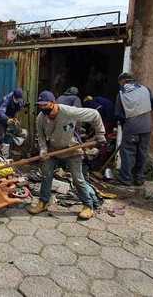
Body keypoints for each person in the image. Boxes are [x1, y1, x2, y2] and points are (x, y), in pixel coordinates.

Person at [28, 90, 106, 220]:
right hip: (53, 151)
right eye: (40, 105)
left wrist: (100, 134)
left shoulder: (69, 112)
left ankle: (88, 206)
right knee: (46, 175)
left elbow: (95, 114)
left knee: (77, 179)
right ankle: (43, 202)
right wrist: (43, 150)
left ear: (53, 103)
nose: (42, 108)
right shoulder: (41, 118)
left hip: (71, 149)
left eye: (44, 105)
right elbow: (41, 136)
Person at [114, 72, 153, 186]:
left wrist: (125, 125)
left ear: (123, 81)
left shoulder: (121, 94)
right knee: (142, 152)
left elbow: (119, 115)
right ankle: (139, 178)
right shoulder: (145, 89)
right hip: (146, 127)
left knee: (128, 152)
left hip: (131, 127)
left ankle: (126, 178)